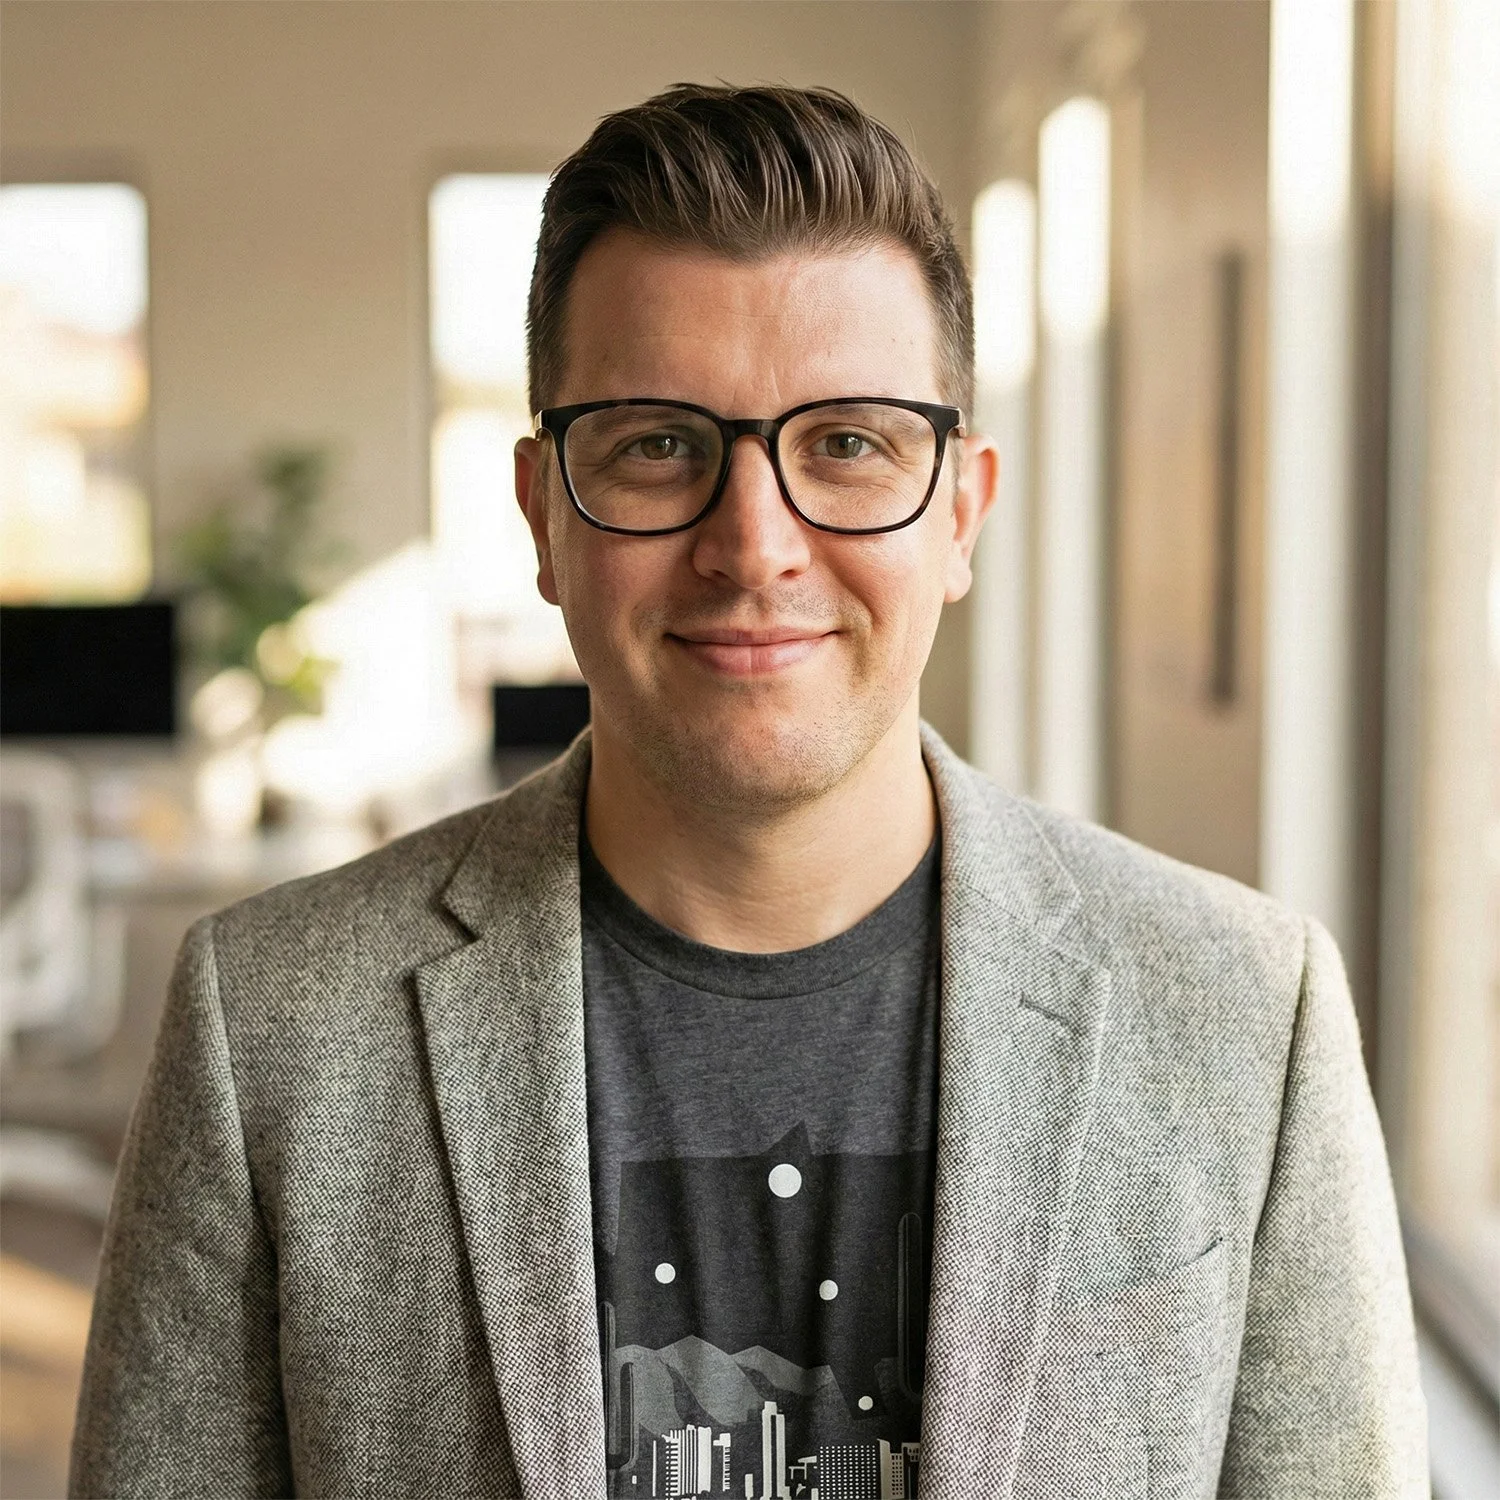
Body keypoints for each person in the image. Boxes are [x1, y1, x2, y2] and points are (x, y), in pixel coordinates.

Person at [70, 84, 1426, 1499]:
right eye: (658, 443)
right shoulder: (272, 1028)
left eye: (847, 443)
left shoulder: (1241, 1015)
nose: (754, 545)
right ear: (543, 513)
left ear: (961, 509)